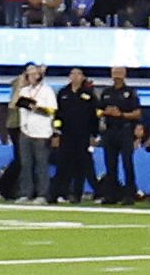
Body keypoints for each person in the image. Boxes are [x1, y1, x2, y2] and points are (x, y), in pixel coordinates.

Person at [51, 68, 100, 204]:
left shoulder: (88, 94)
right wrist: (57, 130)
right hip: (66, 135)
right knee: (63, 164)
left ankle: (77, 194)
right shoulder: (63, 93)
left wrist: (94, 134)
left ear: (83, 77)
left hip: (83, 135)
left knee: (81, 165)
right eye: (73, 74)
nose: (76, 76)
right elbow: (57, 114)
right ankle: (60, 193)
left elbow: (93, 116)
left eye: (79, 74)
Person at [96, 65, 141, 204]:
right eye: (114, 72)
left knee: (127, 163)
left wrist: (121, 114)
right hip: (109, 131)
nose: (117, 75)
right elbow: (98, 110)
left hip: (125, 130)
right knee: (110, 164)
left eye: (119, 73)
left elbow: (137, 113)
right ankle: (111, 194)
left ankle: (129, 194)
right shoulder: (106, 92)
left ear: (124, 74)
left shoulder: (130, 92)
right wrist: (104, 113)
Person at [13, 64, 56, 203]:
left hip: (42, 132)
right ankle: (26, 192)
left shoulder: (47, 91)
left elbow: (52, 110)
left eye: (34, 74)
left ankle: (42, 194)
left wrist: (36, 107)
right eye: (29, 74)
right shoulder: (24, 91)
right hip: (25, 131)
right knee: (26, 163)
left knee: (41, 164)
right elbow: (17, 106)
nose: (31, 77)